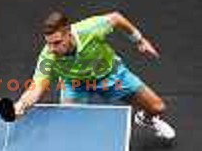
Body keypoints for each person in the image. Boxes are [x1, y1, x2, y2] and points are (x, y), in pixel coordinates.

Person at [15, 11, 176, 142]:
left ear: (69, 34)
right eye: (48, 43)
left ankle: (145, 119)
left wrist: (139, 40)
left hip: (111, 75)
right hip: (76, 85)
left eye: (57, 43)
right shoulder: (47, 56)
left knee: (157, 108)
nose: (52, 48)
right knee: (71, 130)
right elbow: (36, 88)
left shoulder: (90, 29)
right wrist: (22, 104)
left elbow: (116, 18)